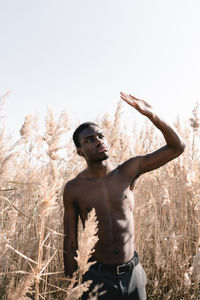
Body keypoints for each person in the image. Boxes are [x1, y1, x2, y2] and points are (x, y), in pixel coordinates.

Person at [63, 92, 185, 299]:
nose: (99, 141)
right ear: (79, 151)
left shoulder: (128, 170)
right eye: (90, 140)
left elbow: (177, 147)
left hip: (133, 275)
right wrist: (72, 284)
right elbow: (70, 240)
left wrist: (153, 116)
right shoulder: (74, 188)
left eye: (101, 136)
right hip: (96, 278)